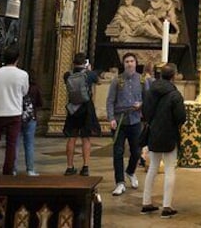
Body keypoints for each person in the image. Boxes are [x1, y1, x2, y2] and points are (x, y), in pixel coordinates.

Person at [141, 63, 186, 218]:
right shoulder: (175, 94)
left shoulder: (150, 91)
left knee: (153, 167)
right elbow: (181, 117)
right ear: (173, 76)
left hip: (153, 132)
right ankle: (166, 206)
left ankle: (146, 202)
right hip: (169, 134)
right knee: (169, 169)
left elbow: (145, 112)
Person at [0, 45, 29, 175]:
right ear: (17, 59)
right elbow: (24, 91)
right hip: (14, 112)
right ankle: (8, 171)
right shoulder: (22, 74)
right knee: (11, 144)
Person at [107, 52, 147, 195]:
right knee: (118, 151)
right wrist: (111, 118)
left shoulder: (142, 80)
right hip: (119, 120)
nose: (129, 64)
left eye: (132, 61)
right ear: (123, 64)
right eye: (127, 62)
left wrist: (141, 104)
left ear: (136, 63)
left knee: (136, 151)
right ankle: (120, 182)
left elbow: (147, 99)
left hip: (135, 120)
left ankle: (130, 171)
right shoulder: (117, 81)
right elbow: (110, 100)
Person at [63, 52, 100, 175]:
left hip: (73, 108)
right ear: (85, 63)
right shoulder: (89, 75)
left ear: (73, 63)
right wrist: (89, 70)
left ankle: (69, 166)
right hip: (86, 108)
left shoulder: (68, 75)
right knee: (85, 138)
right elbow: (98, 81)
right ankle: (85, 167)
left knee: (71, 138)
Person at [14, 70, 43, 176]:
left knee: (15, 143)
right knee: (29, 144)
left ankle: (13, 169)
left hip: (17, 116)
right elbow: (40, 103)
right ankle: (30, 169)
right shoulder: (35, 88)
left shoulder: (17, 87)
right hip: (31, 117)